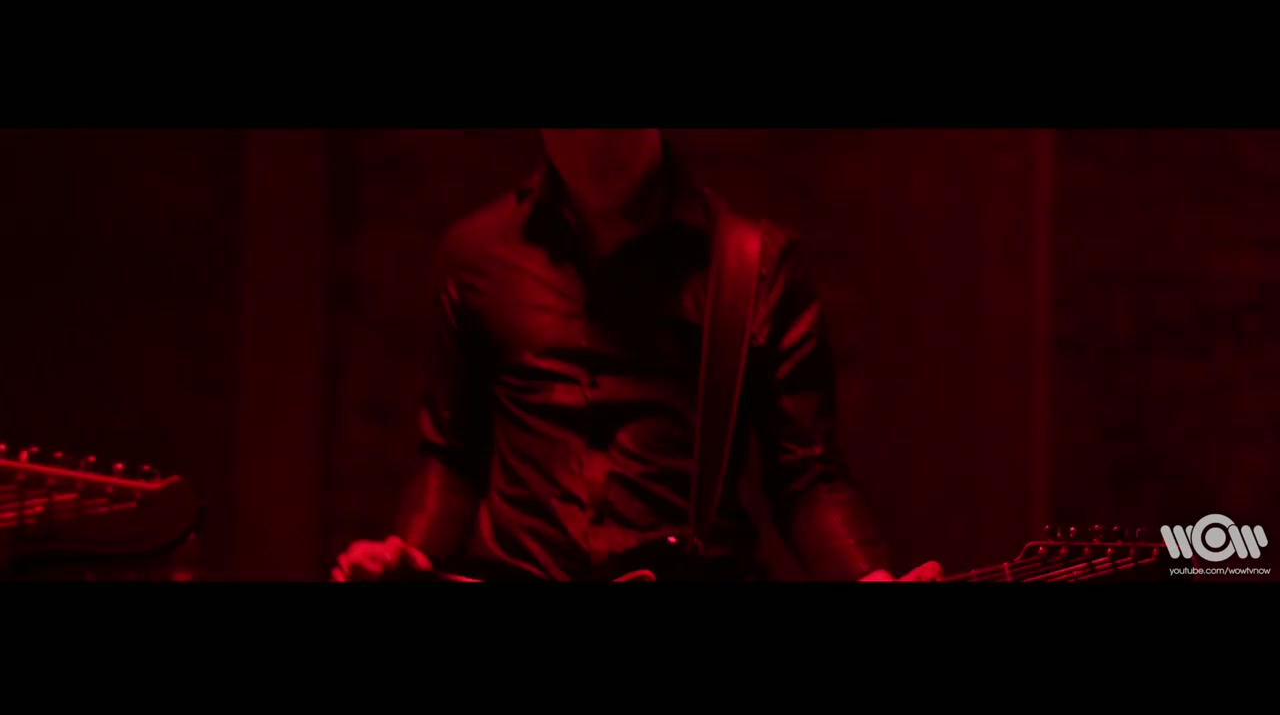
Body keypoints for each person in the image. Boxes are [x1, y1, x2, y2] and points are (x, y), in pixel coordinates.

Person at [332, 129, 941, 582]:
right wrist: (407, 556)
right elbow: (452, 455)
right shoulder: (475, 256)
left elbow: (806, 474)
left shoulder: (753, 265)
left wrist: (865, 575)